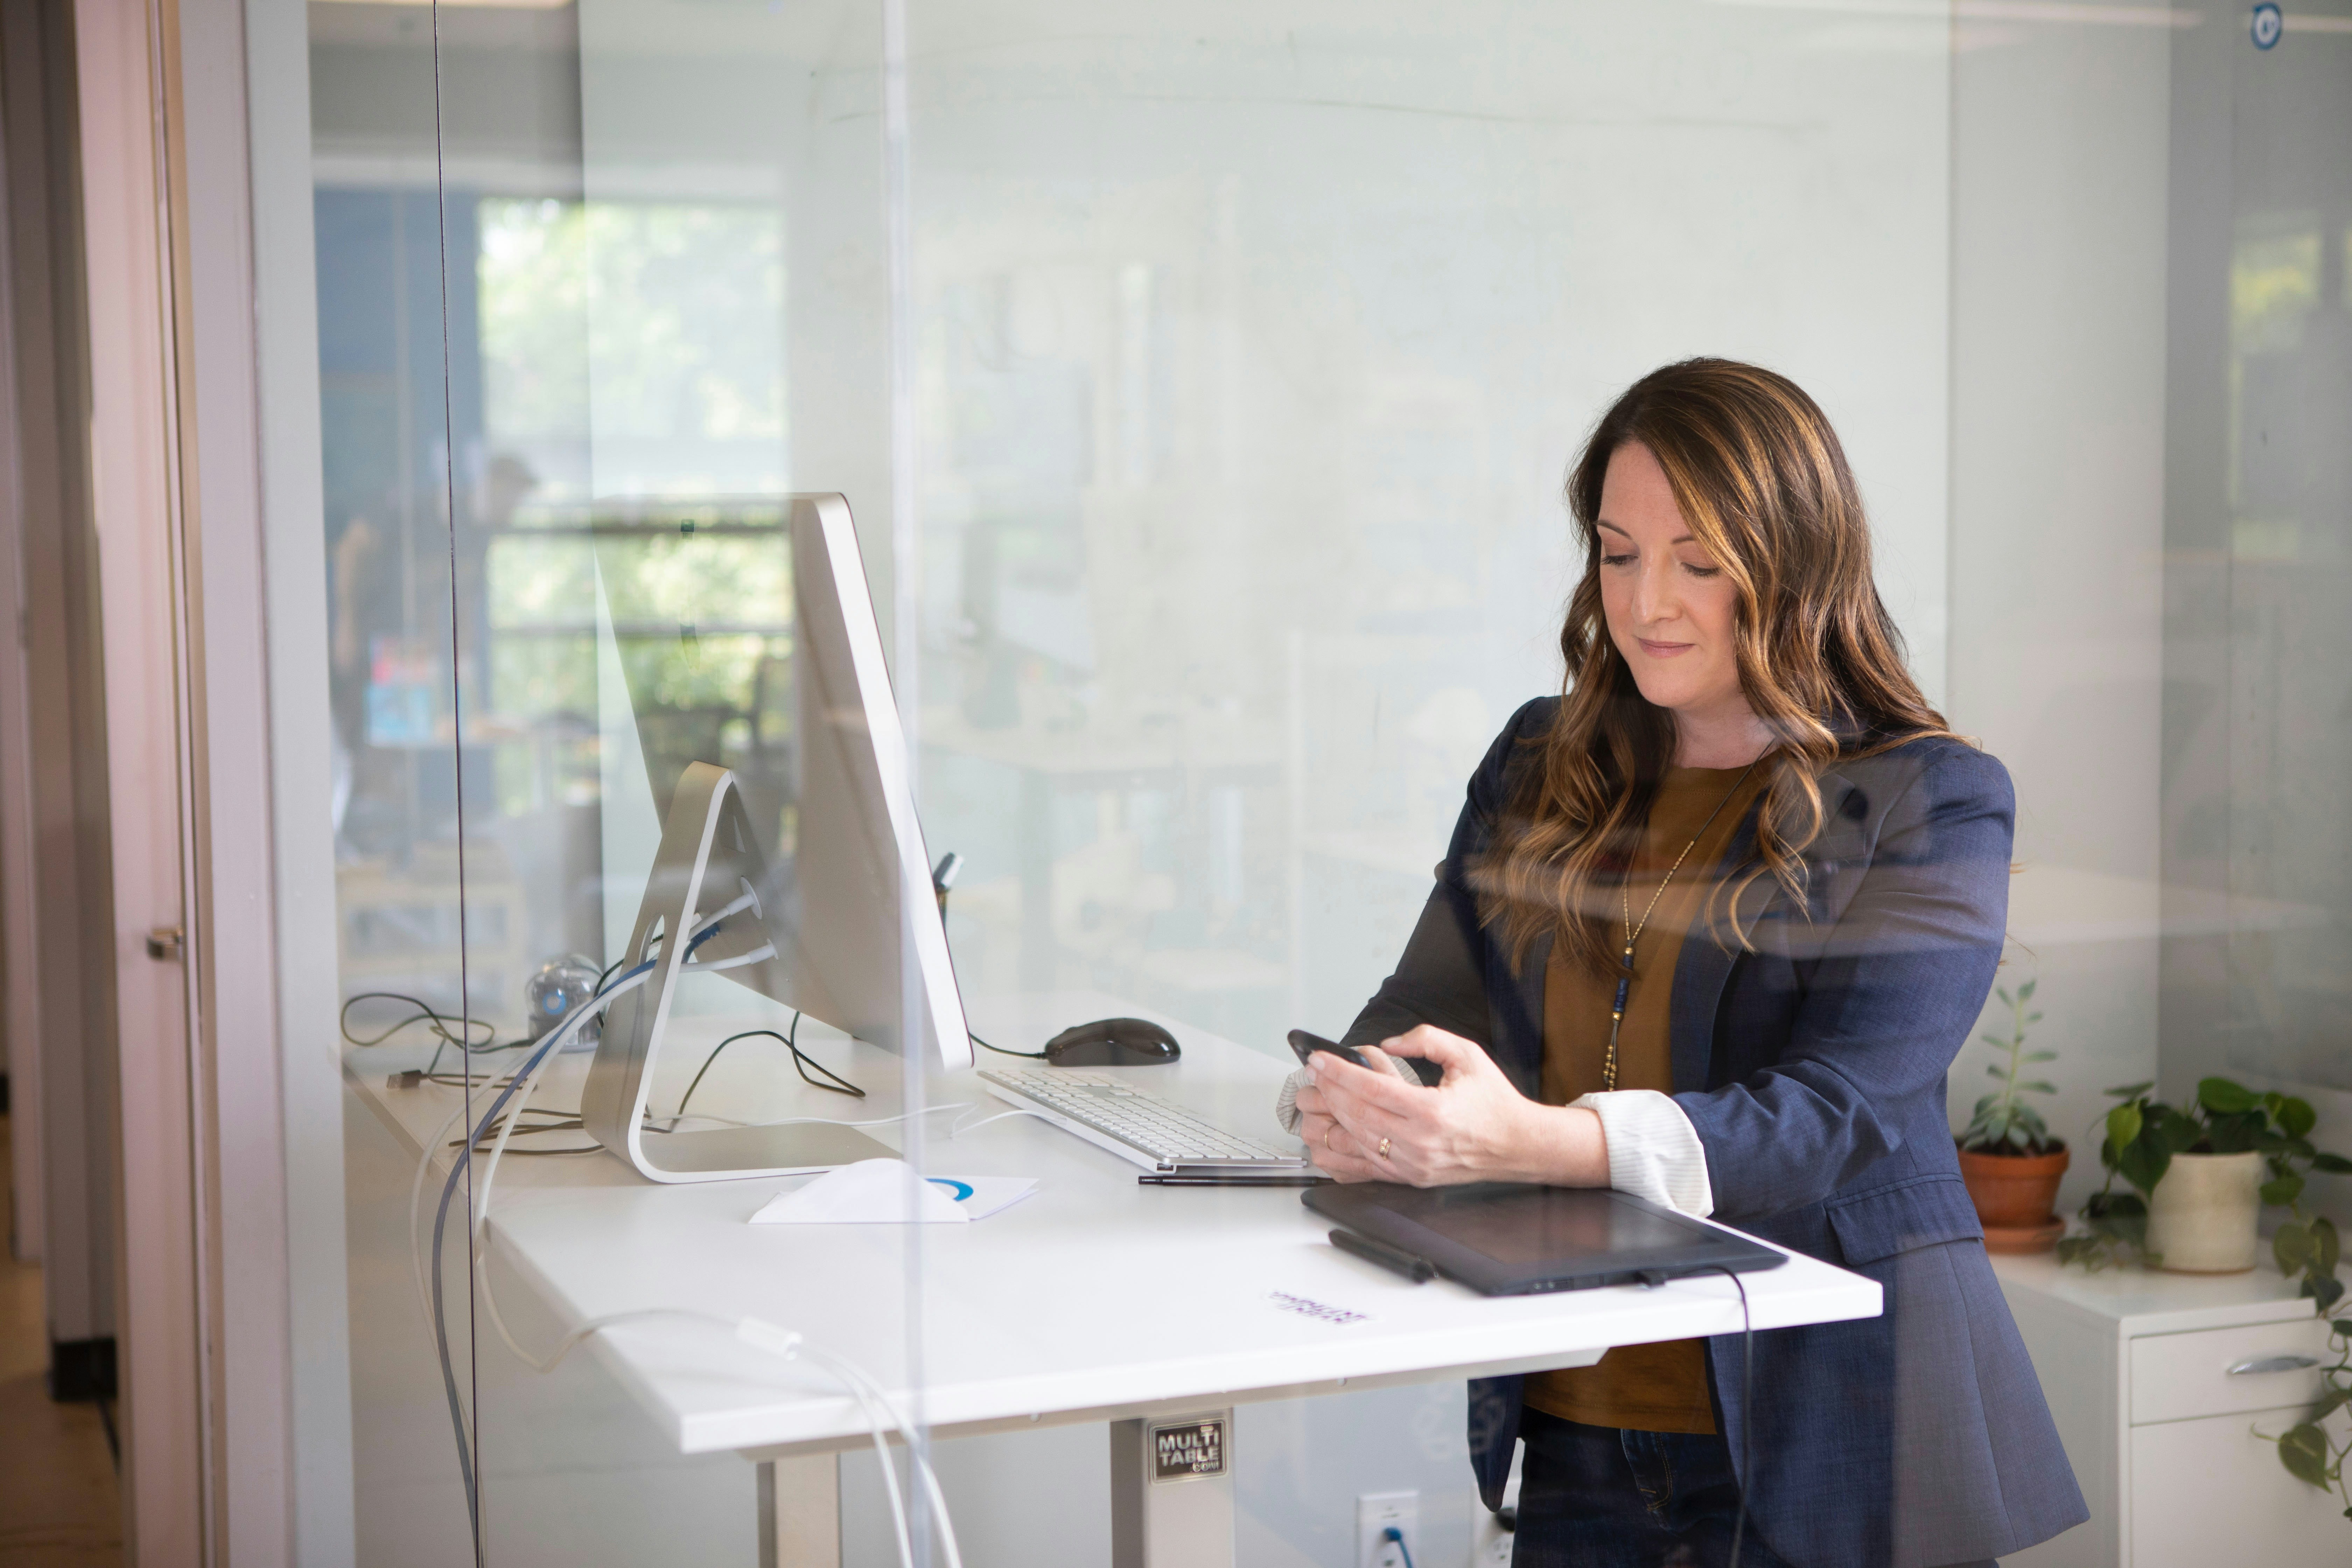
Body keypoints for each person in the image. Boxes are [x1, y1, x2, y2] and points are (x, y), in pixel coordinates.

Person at [1283, 359, 2085, 1568]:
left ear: (1796, 562)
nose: (1648, 600)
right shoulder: (1540, 760)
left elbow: (1839, 1114)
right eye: (1618, 553)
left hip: (1833, 1433)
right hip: (1578, 1425)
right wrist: (1351, 1100)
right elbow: (1422, 1013)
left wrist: (1521, 1141)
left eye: (1699, 562)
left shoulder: (1932, 798)